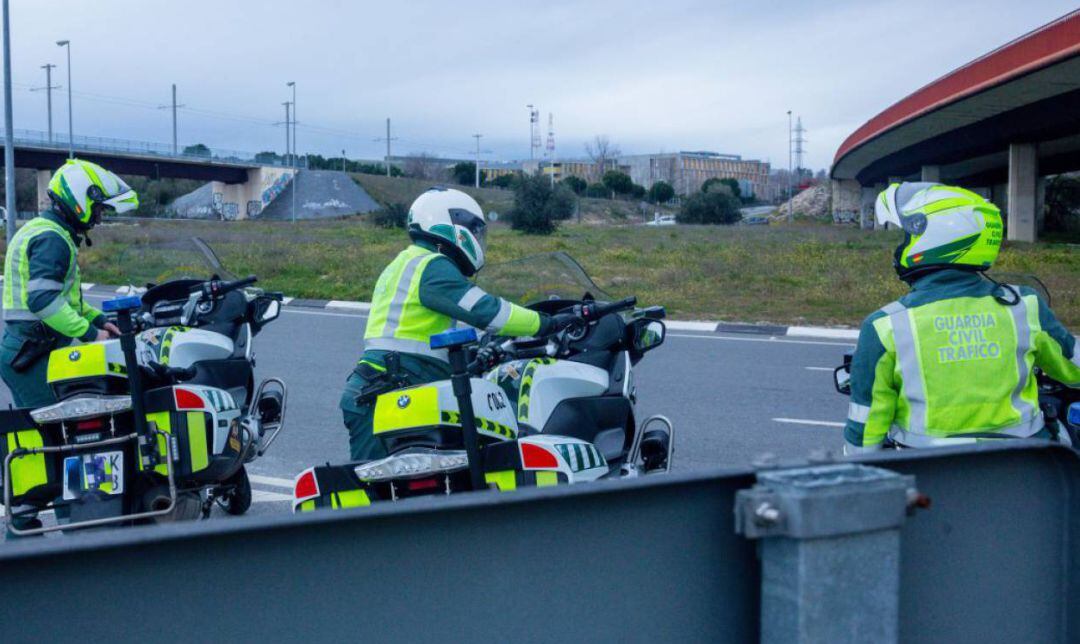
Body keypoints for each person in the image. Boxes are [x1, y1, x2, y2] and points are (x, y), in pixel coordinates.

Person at [341, 187, 579, 461]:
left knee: (403, 482)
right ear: (451, 226)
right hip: (392, 388)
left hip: (387, 384)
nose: (478, 238)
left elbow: (439, 326)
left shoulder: (407, 262)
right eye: (474, 230)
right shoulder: (431, 265)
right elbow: (487, 312)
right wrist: (547, 323)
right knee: (380, 490)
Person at [843, 182, 1080, 453]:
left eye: (906, 237)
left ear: (932, 237)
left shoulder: (885, 325)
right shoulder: (1023, 306)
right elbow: (1074, 369)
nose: (901, 247)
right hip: (1022, 471)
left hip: (931, 475)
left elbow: (864, 432)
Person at [1, 159, 137, 535]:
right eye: (97, 208)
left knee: (64, 432)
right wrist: (88, 333)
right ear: (79, 199)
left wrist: (97, 321)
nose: (98, 218)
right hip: (30, 354)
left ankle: (66, 521)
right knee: (63, 435)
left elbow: (68, 302)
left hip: (38, 349)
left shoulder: (54, 233)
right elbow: (43, 301)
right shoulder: (52, 239)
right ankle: (50, 525)